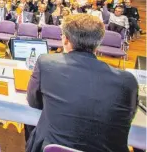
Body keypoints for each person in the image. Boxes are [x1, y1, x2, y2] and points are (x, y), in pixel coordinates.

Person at [25, 14, 138, 152]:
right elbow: (126, 117)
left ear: (65, 40)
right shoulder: (128, 81)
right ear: (98, 43)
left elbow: (33, 102)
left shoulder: (46, 63)